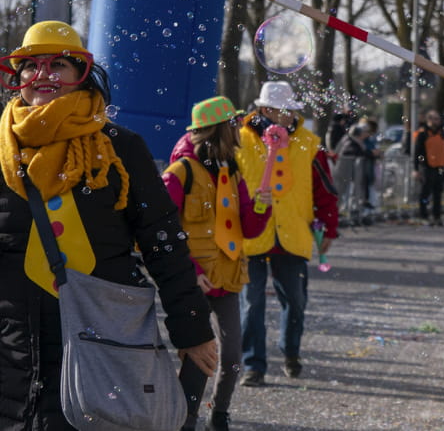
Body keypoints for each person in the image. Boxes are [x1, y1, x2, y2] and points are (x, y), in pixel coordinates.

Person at [0, 21, 217, 429]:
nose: (42, 75)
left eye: (59, 64)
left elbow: (164, 241)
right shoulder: (1, 151)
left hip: (104, 343)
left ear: (82, 74)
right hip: (13, 350)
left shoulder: (119, 147)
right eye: (30, 65)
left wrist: (191, 327)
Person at [163, 96, 272, 431]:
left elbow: (249, 230)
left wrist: (261, 206)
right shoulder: (180, 173)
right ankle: (186, 421)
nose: (239, 131)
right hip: (194, 281)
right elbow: (159, 230)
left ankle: (219, 415)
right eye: (233, 126)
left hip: (227, 279)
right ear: (219, 130)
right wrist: (190, 273)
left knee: (233, 358)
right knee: (198, 357)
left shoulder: (232, 173)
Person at [235, 81, 340, 386]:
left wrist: (329, 228)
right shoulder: (238, 141)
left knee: (295, 300)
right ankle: (253, 364)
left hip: (293, 233)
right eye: (285, 111)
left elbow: (326, 193)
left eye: (293, 111)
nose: (291, 116)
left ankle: (291, 351)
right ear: (265, 110)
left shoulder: (309, 143)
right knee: (251, 303)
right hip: (250, 235)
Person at [411, 109, 444, 226]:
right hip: (427, 167)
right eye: (434, 119)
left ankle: (436, 216)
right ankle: (424, 215)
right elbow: (417, 153)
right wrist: (416, 169)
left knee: (438, 193)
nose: (437, 121)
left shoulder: (441, 133)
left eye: (438, 119)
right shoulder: (422, 134)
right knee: (425, 193)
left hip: (440, 166)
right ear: (428, 120)